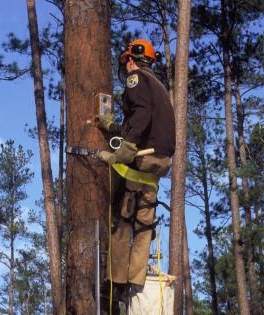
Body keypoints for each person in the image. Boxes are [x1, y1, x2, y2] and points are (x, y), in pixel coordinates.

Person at [95, 39, 176, 310]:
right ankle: (133, 284)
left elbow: (140, 115)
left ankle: (115, 287)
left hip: (141, 159)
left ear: (131, 60)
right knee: (144, 226)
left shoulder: (136, 79)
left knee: (122, 221)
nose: (126, 69)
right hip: (158, 162)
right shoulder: (160, 88)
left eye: (125, 63)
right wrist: (114, 127)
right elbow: (143, 121)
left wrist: (126, 147)